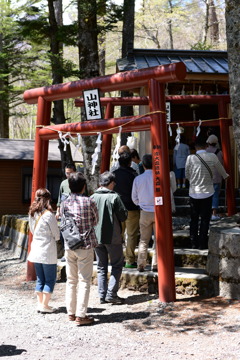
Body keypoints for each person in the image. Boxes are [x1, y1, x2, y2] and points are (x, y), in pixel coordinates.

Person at [60, 172, 99, 326]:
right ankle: (81, 315)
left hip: (69, 244)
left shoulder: (64, 203)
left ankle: (71, 312)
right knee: (84, 280)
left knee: (71, 280)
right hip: (85, 243)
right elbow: (96, 220)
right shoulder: (89, 201)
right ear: (84, 187)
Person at [91, 171, 128, 305]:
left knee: (101, 266)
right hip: (113, 236)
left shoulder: (92, 197)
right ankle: (111, 294)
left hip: (96, 236)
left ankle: (102, 295)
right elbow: (123, 216)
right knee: (117, 264)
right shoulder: (114, 197)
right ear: (111, 183)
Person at [185, 136, 229, 250]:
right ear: (206, 146)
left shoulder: (190, 158)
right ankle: (202, 243)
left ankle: (193, 242)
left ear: (195, 147)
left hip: (194, 192)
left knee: (193, 219)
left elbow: (187, 175)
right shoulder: (212, 156)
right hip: (208, 192)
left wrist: (194, 181)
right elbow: (222, 171)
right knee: (205, 219)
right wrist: (226, 176)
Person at [28, 188, 60, 314]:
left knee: (40, 279)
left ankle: (40, 304)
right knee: (50, 279)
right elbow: (56, 235)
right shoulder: (49, 215)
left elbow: (32, 230)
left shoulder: (32, 213)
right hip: (47, 251)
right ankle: (45, 305)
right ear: (48, 199)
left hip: (36, 249)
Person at [113, 151, 140, 268]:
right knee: (132, 234)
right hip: (131, 207)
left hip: (117, 208)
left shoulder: (113, 175)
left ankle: (117, 259)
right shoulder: (134, 175)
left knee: (118, 234)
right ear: (130, 163)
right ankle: (130, 260)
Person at [131, 154, 157, 272]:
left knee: (143, 239)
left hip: (144, 211)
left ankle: (141, 263)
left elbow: (134, 198)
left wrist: (141, 204)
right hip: (158, 211)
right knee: (158, 240)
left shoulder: (138, 179)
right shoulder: (159, 177)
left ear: (143, 165)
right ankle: (155, 264)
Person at [56, 163, 76, 261]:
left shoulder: (79, 182)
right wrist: (57, 210)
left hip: (76, 211)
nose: (68, 175)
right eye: (67, 173)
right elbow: (60, 198)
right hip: (65, 211)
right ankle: (65, 253)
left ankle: (75, 252)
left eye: (70, 173)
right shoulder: (63, 183)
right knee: (64, 231)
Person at [206, 134, 224, 220]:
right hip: (217, 176)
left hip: (206, 177)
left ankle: (206, 213)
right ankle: (214, 214)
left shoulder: (205, 152)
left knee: (207, 195)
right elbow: (221, 164)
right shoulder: (219, 152)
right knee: (215, 195)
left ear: (208, 142)